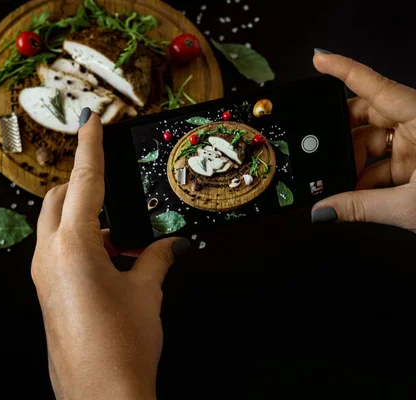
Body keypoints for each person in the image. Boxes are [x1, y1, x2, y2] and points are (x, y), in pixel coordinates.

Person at [31, 51, 416, 399]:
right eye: (212, 157)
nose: (214, 162)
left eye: (220, 159)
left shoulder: (240, 165)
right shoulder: (194, 166)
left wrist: (95, 387)